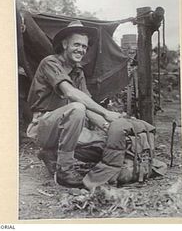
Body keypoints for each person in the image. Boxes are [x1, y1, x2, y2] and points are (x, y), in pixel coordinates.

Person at [26, 20, 123, 188]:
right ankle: (64, 171)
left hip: (66, 128)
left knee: (102, 146)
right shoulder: (50, 62)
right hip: (43, 126)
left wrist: (109, 125)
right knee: (77, 108)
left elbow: (88, 105)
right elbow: (71, 94)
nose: (81, 50)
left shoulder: (78, 71)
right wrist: (107, 113)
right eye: (76, 44)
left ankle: (50, 154)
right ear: (65, 44)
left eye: (84, 47)